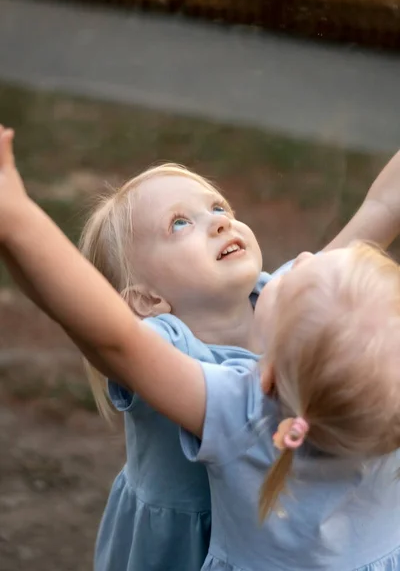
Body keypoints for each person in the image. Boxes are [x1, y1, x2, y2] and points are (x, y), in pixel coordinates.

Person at [1, 125, 400, 571]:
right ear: (145, 300)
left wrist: (16, 217)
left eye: (217, 207)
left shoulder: (246, 403)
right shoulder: (315, 313)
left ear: (268, 375)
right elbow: (381, 208)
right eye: (181, 221)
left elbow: (107, 335)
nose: (221, 219)